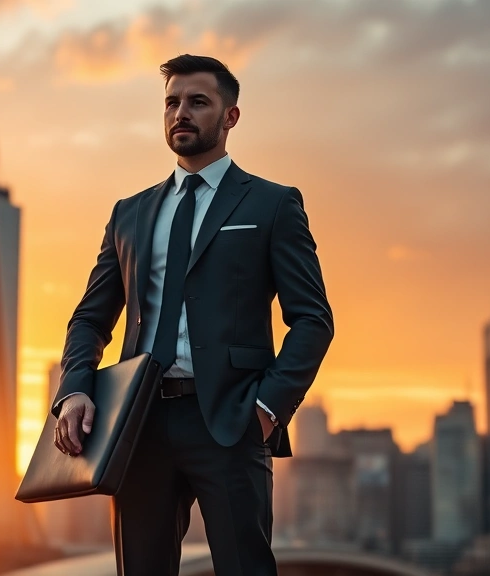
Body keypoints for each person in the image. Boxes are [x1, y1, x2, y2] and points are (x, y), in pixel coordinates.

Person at [50, 54, 334, 575]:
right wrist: (74, 389)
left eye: (198, 102)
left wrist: (268, 408)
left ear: (231, 117)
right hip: (137, 425)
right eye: (172, 103)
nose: (181, 112)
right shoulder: (129, 214)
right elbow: (89, 319)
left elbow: (313, 319)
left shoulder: (271, 205)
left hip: (230, 420)